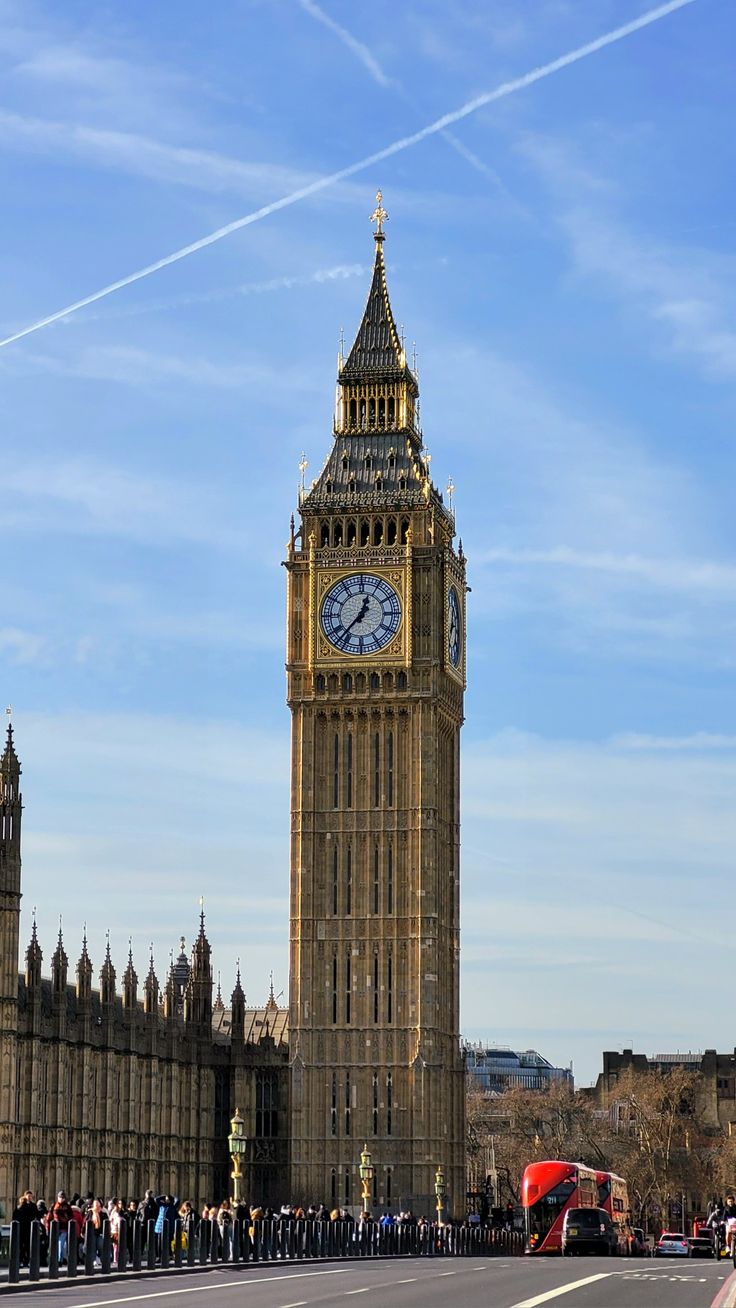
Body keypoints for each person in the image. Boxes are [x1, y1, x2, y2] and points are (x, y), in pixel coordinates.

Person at [12, 1191, 39, 1267]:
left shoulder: (33, 1206)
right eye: (28, 1196)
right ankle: (20, 1260)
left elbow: (37, 1215)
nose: (30, 1197)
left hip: (29, 1228)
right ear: (25, 1196)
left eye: (31, 1196)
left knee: (28, 1246)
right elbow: (15, 1216)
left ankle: (27, 1261)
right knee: (21, 1246)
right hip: (21, 1228)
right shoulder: (20, 1206)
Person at [48, 1191, 73, 1266]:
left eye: (63, 1198)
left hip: (64, 1228)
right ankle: (59, 1259)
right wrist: (48, 1226)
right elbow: (49, 1216)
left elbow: (71, 1216)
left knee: (60, 1244)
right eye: (60, 1197)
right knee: (56, 1245)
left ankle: (59, 1260)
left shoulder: (67, 1206)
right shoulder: (54, 1205)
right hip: (55, 1228)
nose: (61, 1199)